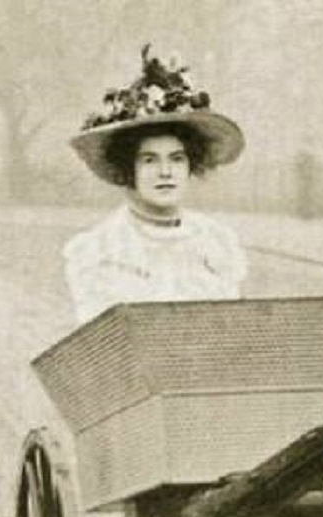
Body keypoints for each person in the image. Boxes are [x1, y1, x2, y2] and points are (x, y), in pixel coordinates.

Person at [65, 47, 247, 325]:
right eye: (149, 160)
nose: (165, 172)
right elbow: (102, 349)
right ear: (129, 169)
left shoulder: (217, 243)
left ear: (190, 166)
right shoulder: (98, 250)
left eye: (176, 159)